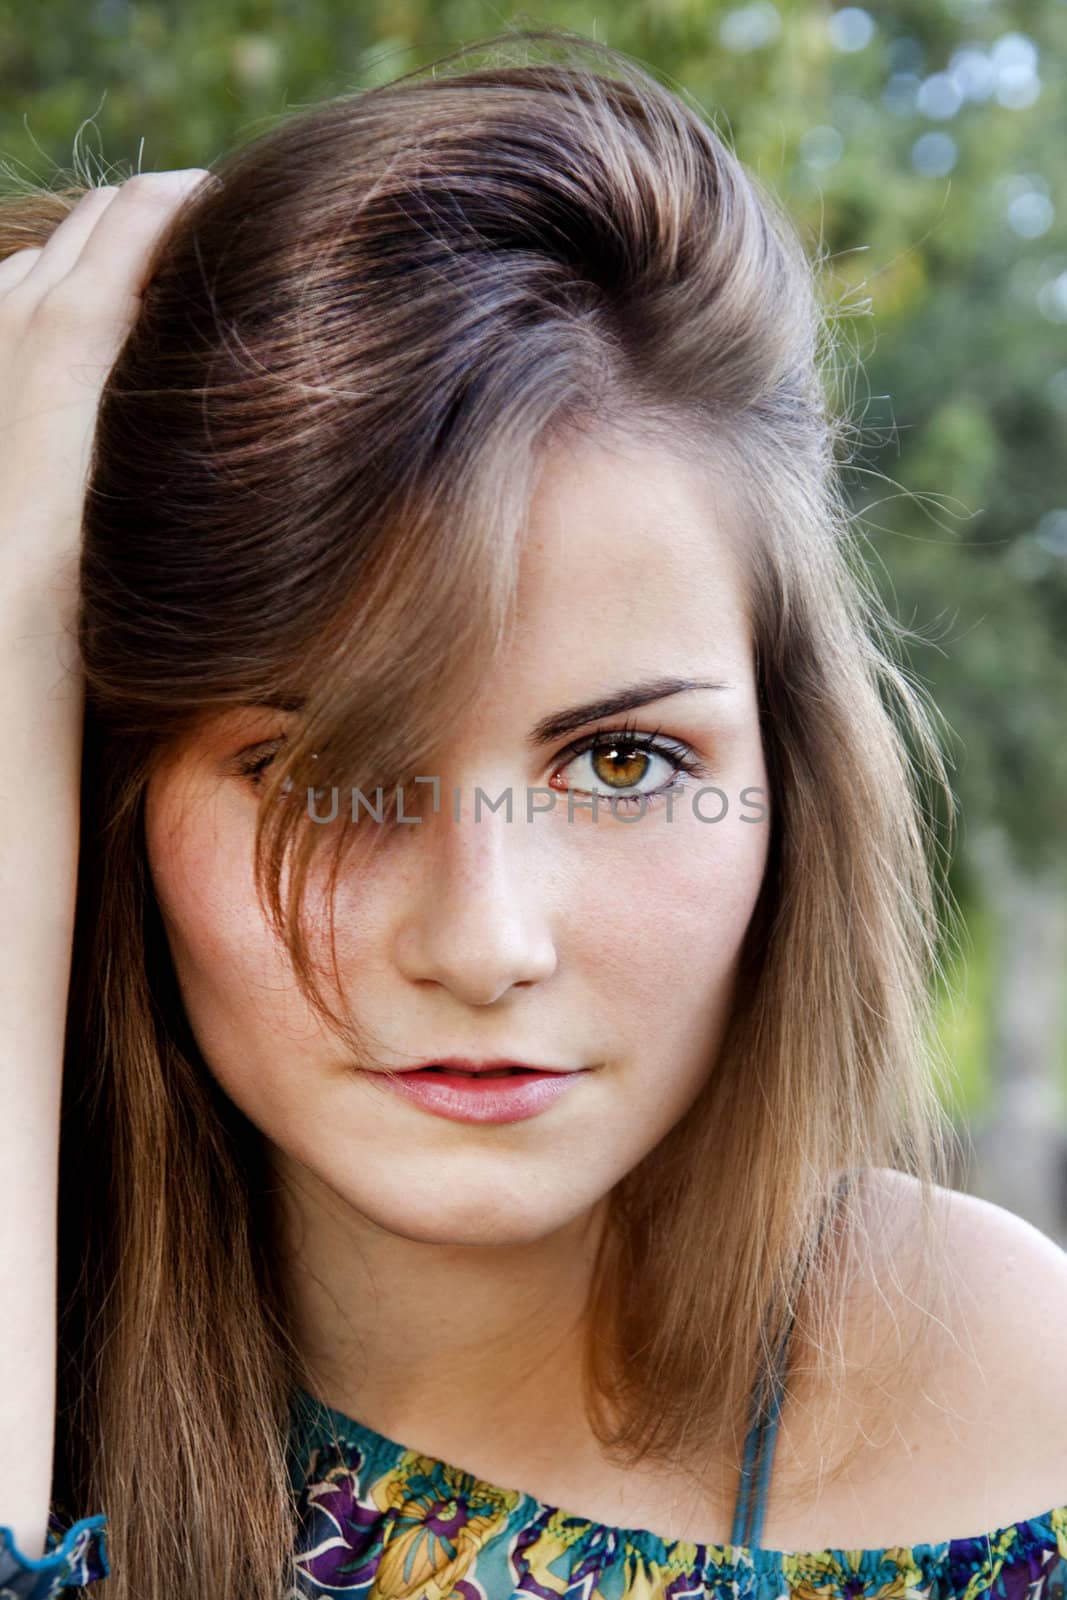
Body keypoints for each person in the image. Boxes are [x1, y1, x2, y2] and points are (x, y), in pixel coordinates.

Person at [1, 26, 1065, 1600]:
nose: (485, 939)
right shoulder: (46, 1351)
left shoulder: (991, 1391)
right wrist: (19, 623)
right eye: (318, 772)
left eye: (623, 763)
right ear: (104, 782)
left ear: (790, 779)